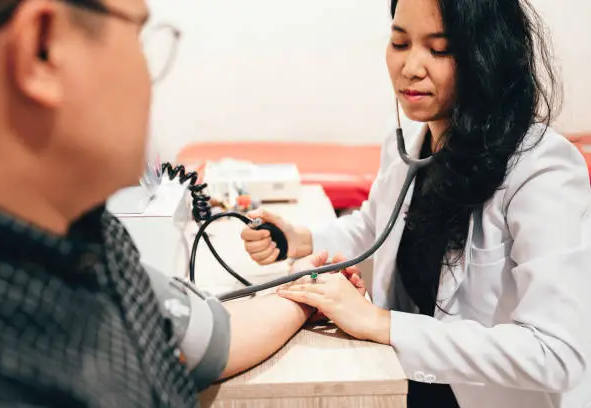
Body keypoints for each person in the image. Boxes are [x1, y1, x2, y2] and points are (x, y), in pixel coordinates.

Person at [0, 0, 363, 406]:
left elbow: (211, 336)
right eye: (139, 37)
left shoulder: (91, 240)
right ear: (42, 48)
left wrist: (304, 286)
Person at [241, 0, 591, 407]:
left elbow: (556, 354)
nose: (410, 67)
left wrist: (381, 323)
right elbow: (374, 228)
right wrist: (299, 239)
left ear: (486, 54)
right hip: (399, 380)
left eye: (439, 49)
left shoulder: (541, 168)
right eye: (399, 42)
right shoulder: (407, 147)